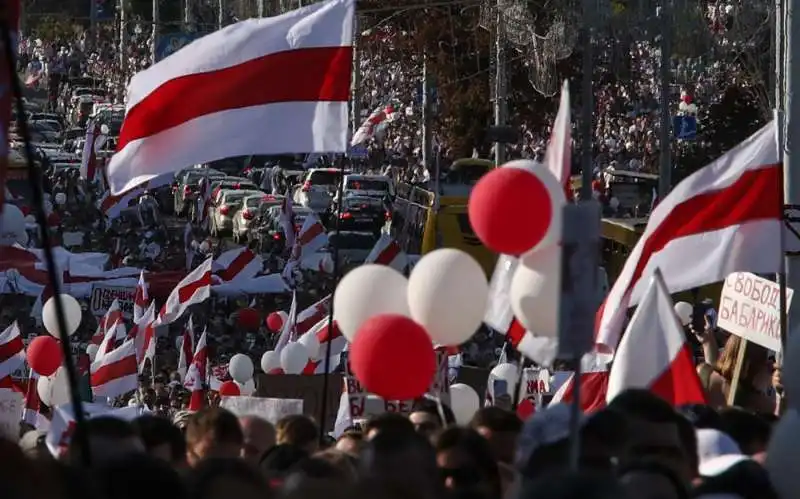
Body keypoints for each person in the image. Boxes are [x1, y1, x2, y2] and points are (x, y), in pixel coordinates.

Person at [696, 330, 782, 414]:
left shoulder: (703, 374)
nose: (771, 366)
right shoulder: (758, 404)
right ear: (748, 366)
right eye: (765, 361)